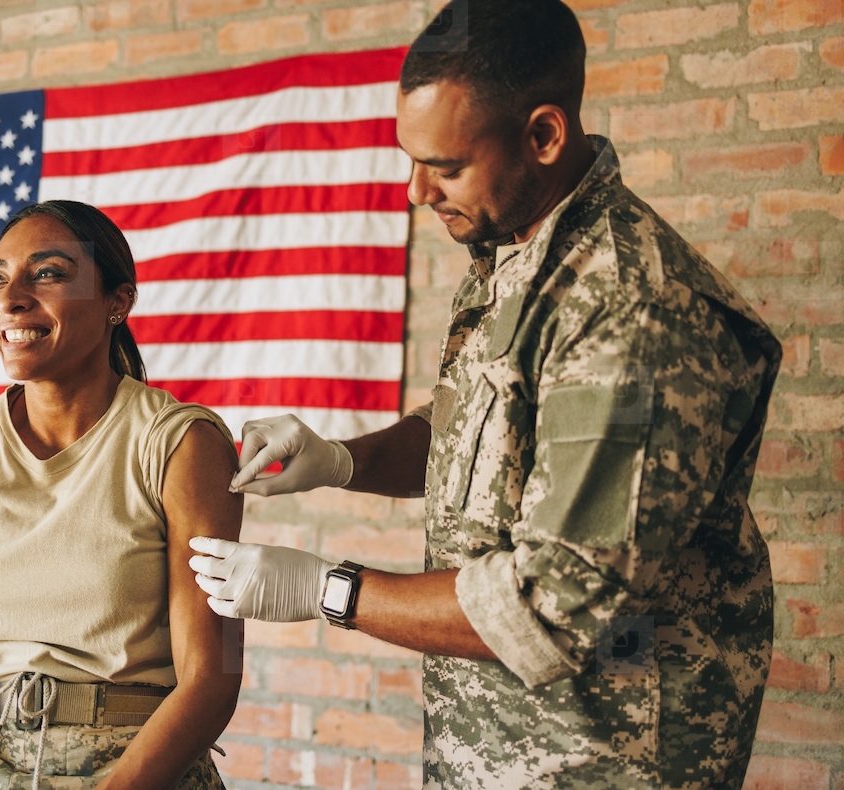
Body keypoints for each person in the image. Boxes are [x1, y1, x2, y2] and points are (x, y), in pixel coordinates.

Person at [189, 1, 782, 787]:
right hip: (494, 752)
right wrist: (339, 460)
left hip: (604, 761)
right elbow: (479, 434)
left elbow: (551, 606)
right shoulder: (518, 250)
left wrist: (327, 590)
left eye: (446, 165)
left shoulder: (631, 310)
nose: (415, 191)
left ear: (543, 136)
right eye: (411, 159)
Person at [0, 200, 243, 790]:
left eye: (48, 273)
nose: (10, 299)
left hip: (141, 767)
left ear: (118, 303)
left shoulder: (183, 443)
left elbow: (210, 677)